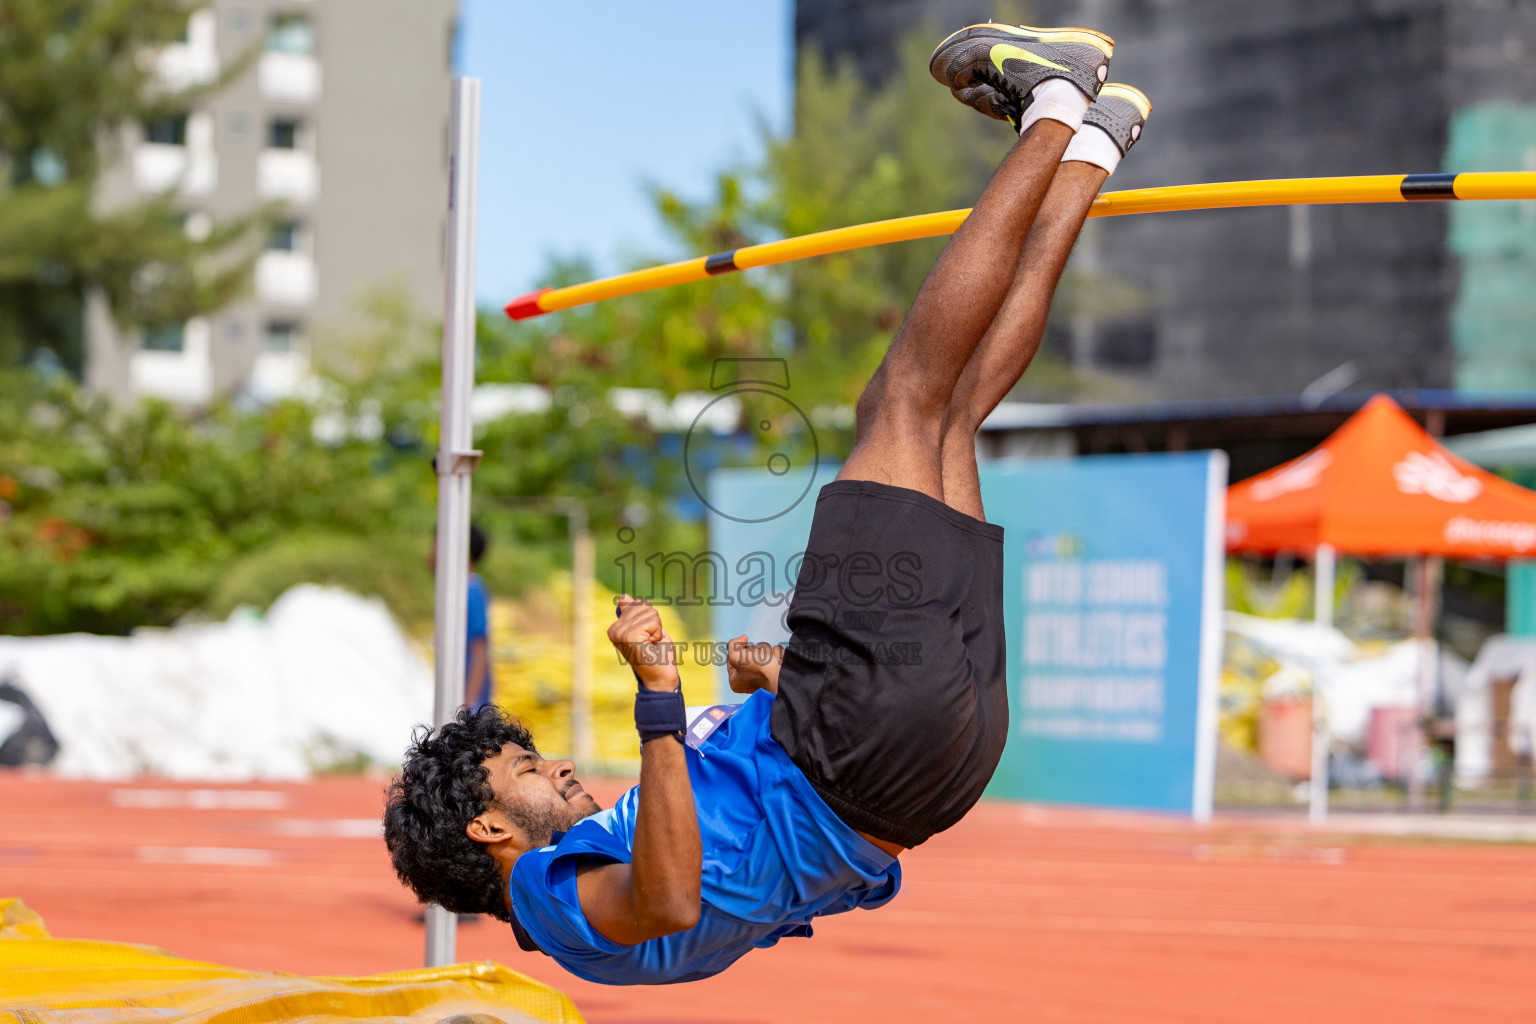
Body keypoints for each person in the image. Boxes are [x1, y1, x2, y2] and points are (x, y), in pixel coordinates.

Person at [384, 22, 1150, 985]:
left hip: (924, 777)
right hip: (858, 754)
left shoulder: (605, 870)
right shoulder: (547, 893)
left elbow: (766, 869)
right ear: (487, 826)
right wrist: (659, 695)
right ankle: (1052, 104)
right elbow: (668, 895)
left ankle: (1088, 148)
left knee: (949, 419)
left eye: (536, 756)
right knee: (902, 399)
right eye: (526, 772)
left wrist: (779, 687)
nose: (557, 768)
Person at [428, 523, 494, 711]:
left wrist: (466, 707)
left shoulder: (470, 590)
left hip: (471, 707)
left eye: (435, 546)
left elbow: (479, 650)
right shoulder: (461, 590)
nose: (431, 554)